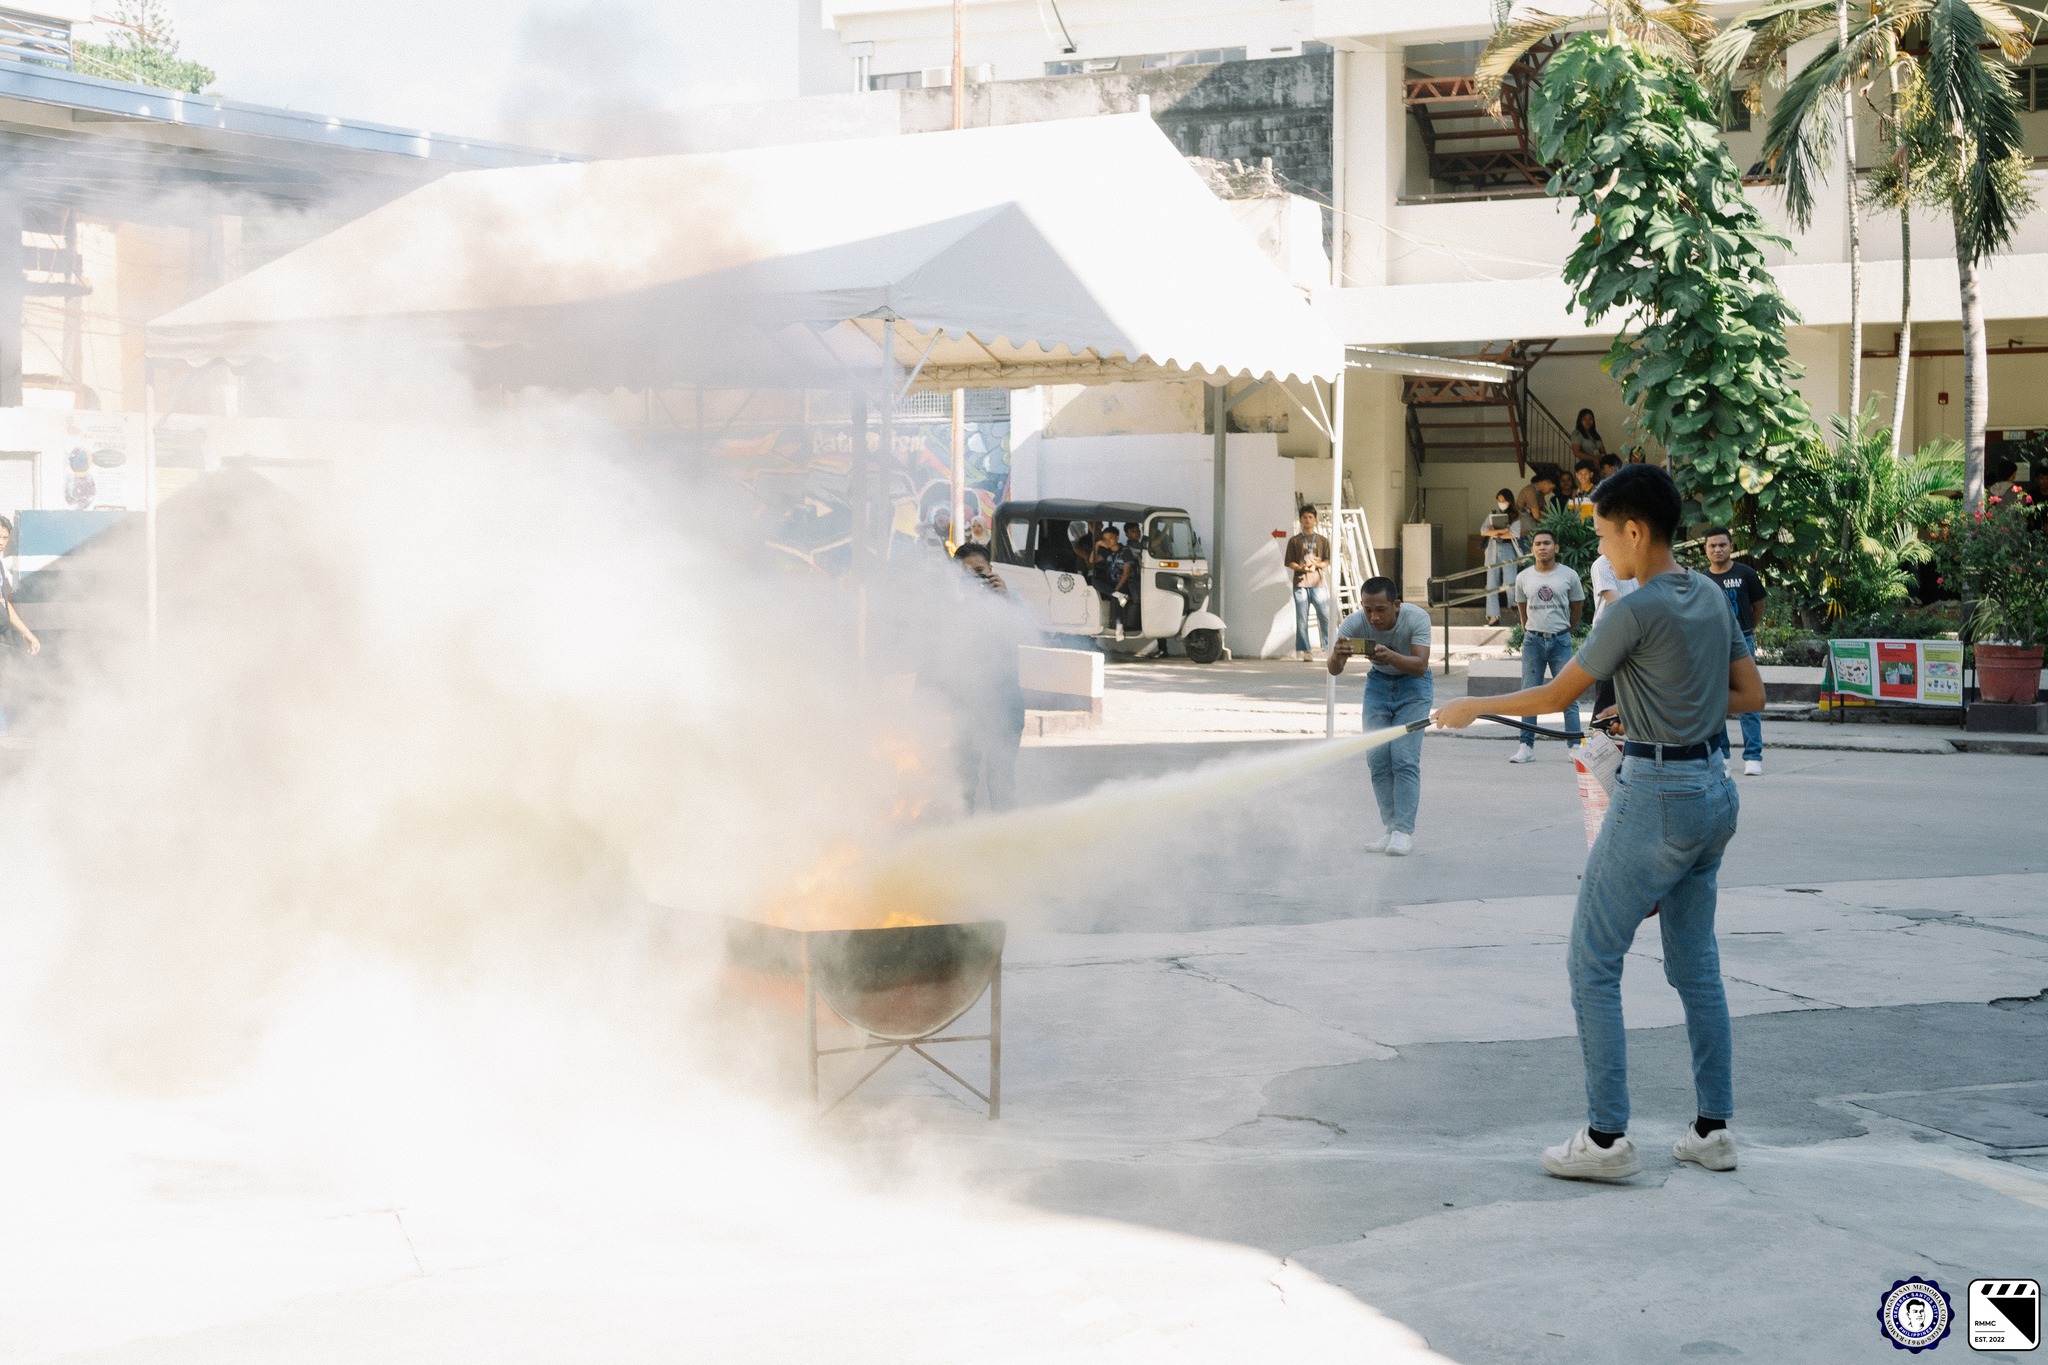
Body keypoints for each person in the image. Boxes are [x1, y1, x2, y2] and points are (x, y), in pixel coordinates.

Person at [1435, 463, 1766, 1182]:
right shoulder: (1711, 595)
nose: (1604, 550)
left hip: (1658, 795)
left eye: (1607, 535)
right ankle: (1714, 1130)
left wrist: (1470, 707)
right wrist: (1672, 708)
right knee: (1695, 964)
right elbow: (1749, 692)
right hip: (1713, 788)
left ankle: (1607, 1137)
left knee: (1591, 960)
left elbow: (1559, 690)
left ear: (1637, 530)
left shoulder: (1633, 608)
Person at [1328, 577, 1433, 856]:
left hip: (1414, 687)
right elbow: (1333, 670)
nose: (1373, 617)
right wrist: (1338, 656)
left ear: (1396, 605)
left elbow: (1421, 665)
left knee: (1404, 757)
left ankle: (1403, 831)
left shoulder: (1416, 618)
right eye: (1367, 609)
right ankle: (1390, 829)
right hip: (1377, 685)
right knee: (1377, 759)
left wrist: (1391, 656)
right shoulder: (1353, 623)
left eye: (1381, 609)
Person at [947, 543, 1031, 811]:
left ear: (992, 570)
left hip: (1006, 704)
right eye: (967, 576)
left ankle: (1005, 839)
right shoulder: (952, 610)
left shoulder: (1011, 601)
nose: (976, 580)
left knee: (1001, 779)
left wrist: (1004, 598)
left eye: (980, 572)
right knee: (965, 780)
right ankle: (964, 838)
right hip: (966, 705)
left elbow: (1028, 637)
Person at [1508, 528, 1584, 763]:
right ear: (1532, 549)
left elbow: (1577, 605)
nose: (1542, 547)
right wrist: (1529, 629)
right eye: (1538, 544)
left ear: (1556, 548)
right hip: (1533, 641)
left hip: (1560, 640)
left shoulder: (1569, 575)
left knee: (1568, 693)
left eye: (1547, 543)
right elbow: (1522, 609)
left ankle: (1574, 745)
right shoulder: (1523, 578)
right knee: (1529, 693)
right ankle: (1526, 746)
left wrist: (1565, 630)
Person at [1701, 527, 1767, 777]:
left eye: (1722, 545)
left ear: (1731, 546)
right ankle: (1723, 756)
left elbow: (1758, 605)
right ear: (1705, 549)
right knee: (1718, 700)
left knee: (1749, 700)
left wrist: (1747, 630)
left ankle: (1753, 756)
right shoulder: (1702, 579)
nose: (1718, 549)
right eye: (1712, 546)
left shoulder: (1745, 574)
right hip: (1713, 644)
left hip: (1743, 642)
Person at [1588, 551, 1637, 718]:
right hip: (1608, 640)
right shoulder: (1602, 565)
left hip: (1636, 639)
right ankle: (1596, 742)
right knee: (1605, 702)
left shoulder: (1639, 562)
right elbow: (1617, 604)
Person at [1285, 507, 1333, 660]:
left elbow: (1327, 561)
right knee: (1302, 618)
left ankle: (1329, 646)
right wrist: (1300, 567)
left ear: (1315, 519)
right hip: (1300, 584)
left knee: (1324, 616)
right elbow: (1289, 561)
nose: (1307, 520)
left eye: (1310, 517)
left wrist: (1316, 566)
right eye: (1304, 517)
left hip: (1318, 584)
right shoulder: (1294, 540)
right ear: (1300, 519)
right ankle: (1306, 650)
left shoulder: (1322, 540)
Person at [1479, 489, 1521, 626]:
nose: (1501, 503)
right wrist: (1502, 531)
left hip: (1509, 550)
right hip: (1492, 550)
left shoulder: (1515, 515)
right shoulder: (1493, 513)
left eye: (1504, 500)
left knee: (1510, 583)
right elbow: (1483, 531)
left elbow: (1514, 534)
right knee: (1491, 585)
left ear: (1510, 500)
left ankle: (1514, 611)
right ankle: (1493, 616)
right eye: (1499, 500)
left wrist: (1494, 532)